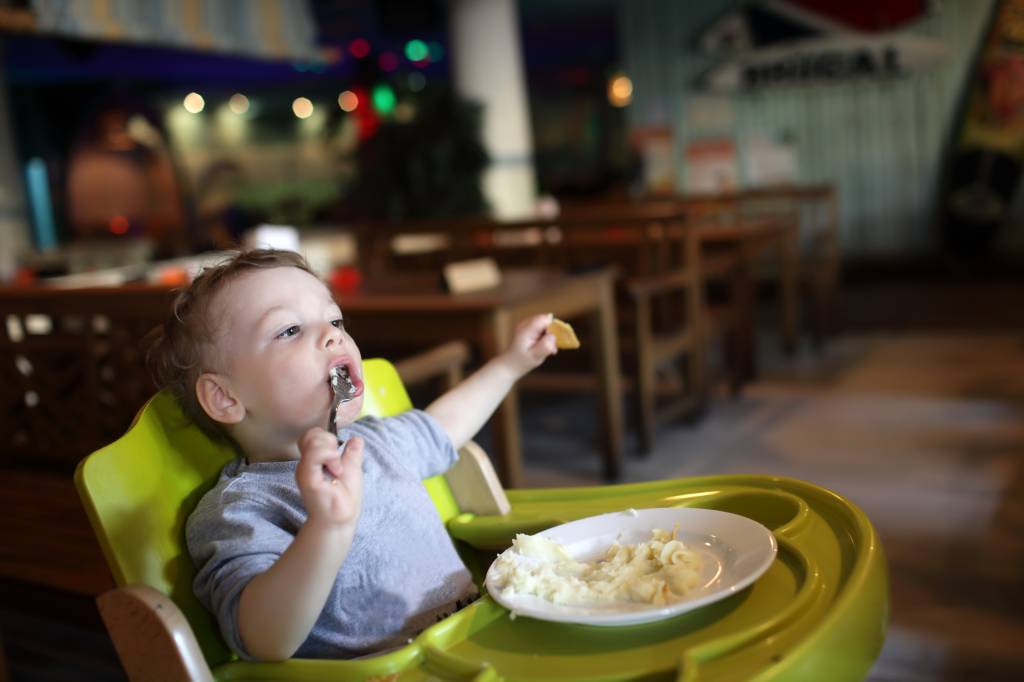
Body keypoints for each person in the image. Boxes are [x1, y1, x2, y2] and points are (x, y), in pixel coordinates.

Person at [146, 249, 558, 661]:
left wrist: (512, 363)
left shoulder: (375, 444)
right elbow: (262, 637)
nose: (332, 335)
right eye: (289, 330)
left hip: (476, 645)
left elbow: (444, 427)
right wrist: (327, 528)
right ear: (225, 397)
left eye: (335, 319)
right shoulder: (241, 510)